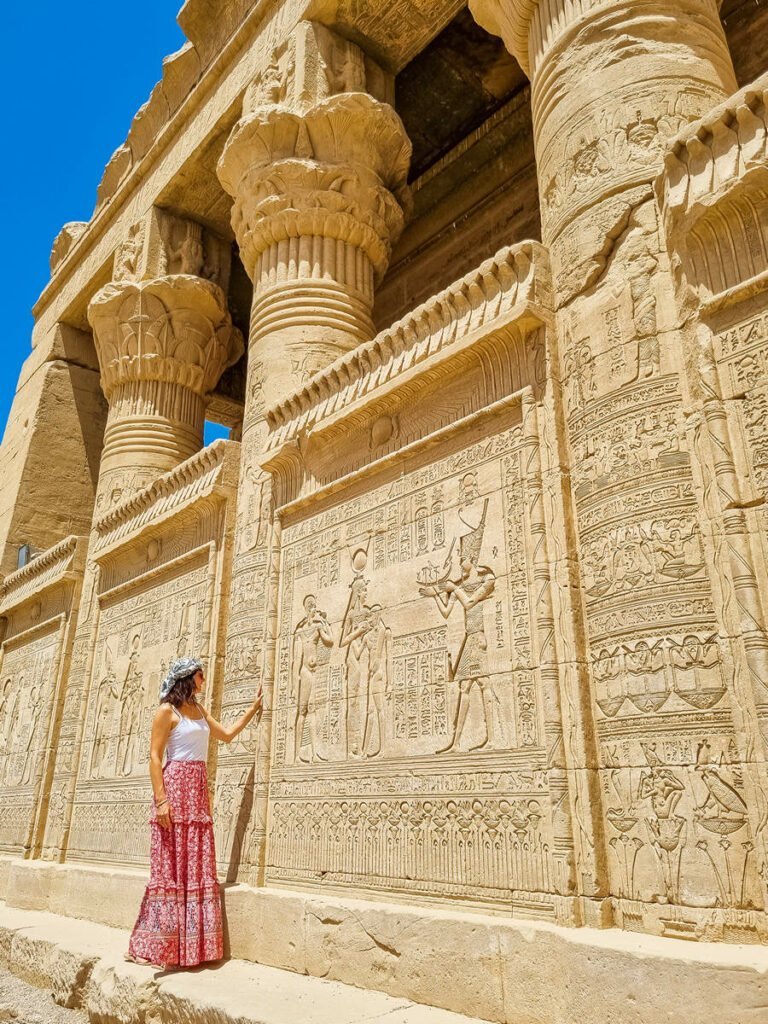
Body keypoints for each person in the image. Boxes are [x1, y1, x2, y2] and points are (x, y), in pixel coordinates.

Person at [126, 656, 262, 969]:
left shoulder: (199, 710)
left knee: (196, 861)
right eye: (201, 676)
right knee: (172, 865)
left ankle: (193, 948)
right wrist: (161, 800)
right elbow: (154, 757)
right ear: (189, 677)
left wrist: (253, 709)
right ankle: (163, 946)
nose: (204, 681)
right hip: (174, 787)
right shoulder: (166, 711)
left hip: (197, 788)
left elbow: (225, 735)